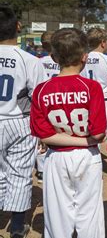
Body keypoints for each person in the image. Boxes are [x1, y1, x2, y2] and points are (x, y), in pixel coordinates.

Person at [30, 28, 107, 238]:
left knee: (57, 217)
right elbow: (98, 133)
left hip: (56, 157)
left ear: (53, 58)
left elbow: (43, 135)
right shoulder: (91, 87)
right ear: (84, 56)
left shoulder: (42, 90)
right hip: (87, 157)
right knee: (89, 215)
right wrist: (85, 142)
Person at [0, 5, 45, 238]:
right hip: (18, 120)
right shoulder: (29, 59)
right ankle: (17, 229)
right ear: (17, 27)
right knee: (19, 173)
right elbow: (38, 98)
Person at [36, 31, 60, 183]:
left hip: (42, 98)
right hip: (58, 100)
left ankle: (40, 170)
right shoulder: (62, 60)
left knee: (41, 135)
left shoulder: (37, 61)